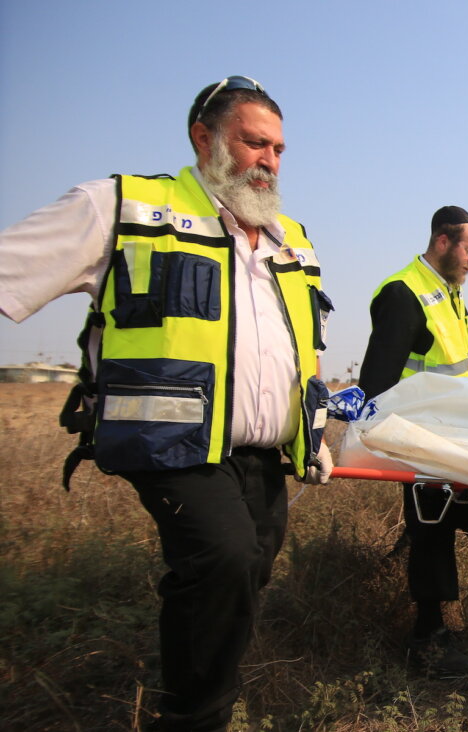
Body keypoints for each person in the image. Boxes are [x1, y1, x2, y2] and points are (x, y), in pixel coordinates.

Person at [0, 76, 333, 731]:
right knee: (223, 559)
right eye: (254, 143)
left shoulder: (290, 239)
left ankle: (201, 688)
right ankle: (193, 719)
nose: (269, 160)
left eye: (280, 149)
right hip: (173, 445)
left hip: (263, 454)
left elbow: (302, 355)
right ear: (203, 138)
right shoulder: (124, 207)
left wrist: (314, 437)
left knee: (244, 574)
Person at [357, 205, 468, 676]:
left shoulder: (445, 289)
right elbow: (378, 378)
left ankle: (413, 544)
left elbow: (460, 333)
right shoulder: (402, 294)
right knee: (434, 526)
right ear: (442, 243)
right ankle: (428, 638)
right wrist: (385, 435)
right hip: (422, 437)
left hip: (455, 429)